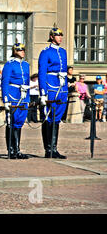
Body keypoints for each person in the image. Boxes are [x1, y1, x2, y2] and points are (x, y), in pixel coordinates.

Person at [38, 26, 68, 159]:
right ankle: (48, 149)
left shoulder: (63, 52)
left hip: (62, 87)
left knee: (57, 118)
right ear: (51, 37)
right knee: (49, 118)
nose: (60, 38)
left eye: (61, 35)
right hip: (51, 87)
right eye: (57, 35)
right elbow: (42, 73)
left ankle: (54, 148)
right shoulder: (45, 52)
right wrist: (43, 92)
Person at [1, 42, 30, 159]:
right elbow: (5, 82)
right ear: (14, 52)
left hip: (23, 96)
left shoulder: (26, 65)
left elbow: (27, 80)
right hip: (13, 95)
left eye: (23, 50)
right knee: (11, 123)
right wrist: (6, 99)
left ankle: (17, 149)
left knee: (19, 123)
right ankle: (11, 149)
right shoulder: (9, 64)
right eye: (19, 50)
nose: (22, 52)